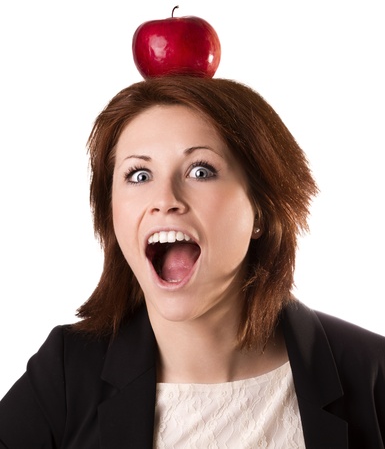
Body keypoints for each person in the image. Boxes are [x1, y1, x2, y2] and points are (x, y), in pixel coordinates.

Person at [0, 76, 384, 448]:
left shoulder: (371, 372)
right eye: (140, 174)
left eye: (201, 171)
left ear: (262, 210)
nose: (165, 198)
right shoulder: (66, 375)